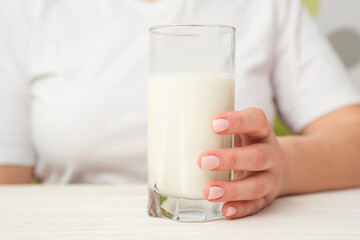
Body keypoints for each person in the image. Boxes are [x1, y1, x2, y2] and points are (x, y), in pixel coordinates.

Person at [0, 0, 359, 220]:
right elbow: (8, 189)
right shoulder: (27, 8)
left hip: (231, 225)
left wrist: (280, 168)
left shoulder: (267, 4)